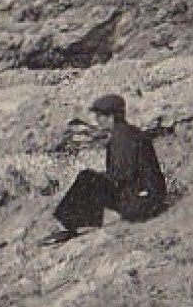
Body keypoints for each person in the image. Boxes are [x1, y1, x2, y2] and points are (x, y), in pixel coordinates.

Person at [44, 94, 167, 245]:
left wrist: (99, 183)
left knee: (87, 178)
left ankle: (69, 226)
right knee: (92, 179)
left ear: (111, 117)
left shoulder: (121, 138)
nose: (97, 120)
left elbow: (121, 175)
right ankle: (77, 224)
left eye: (100, 116)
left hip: (142, 203)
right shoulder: (129, 133)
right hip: (150, 197)